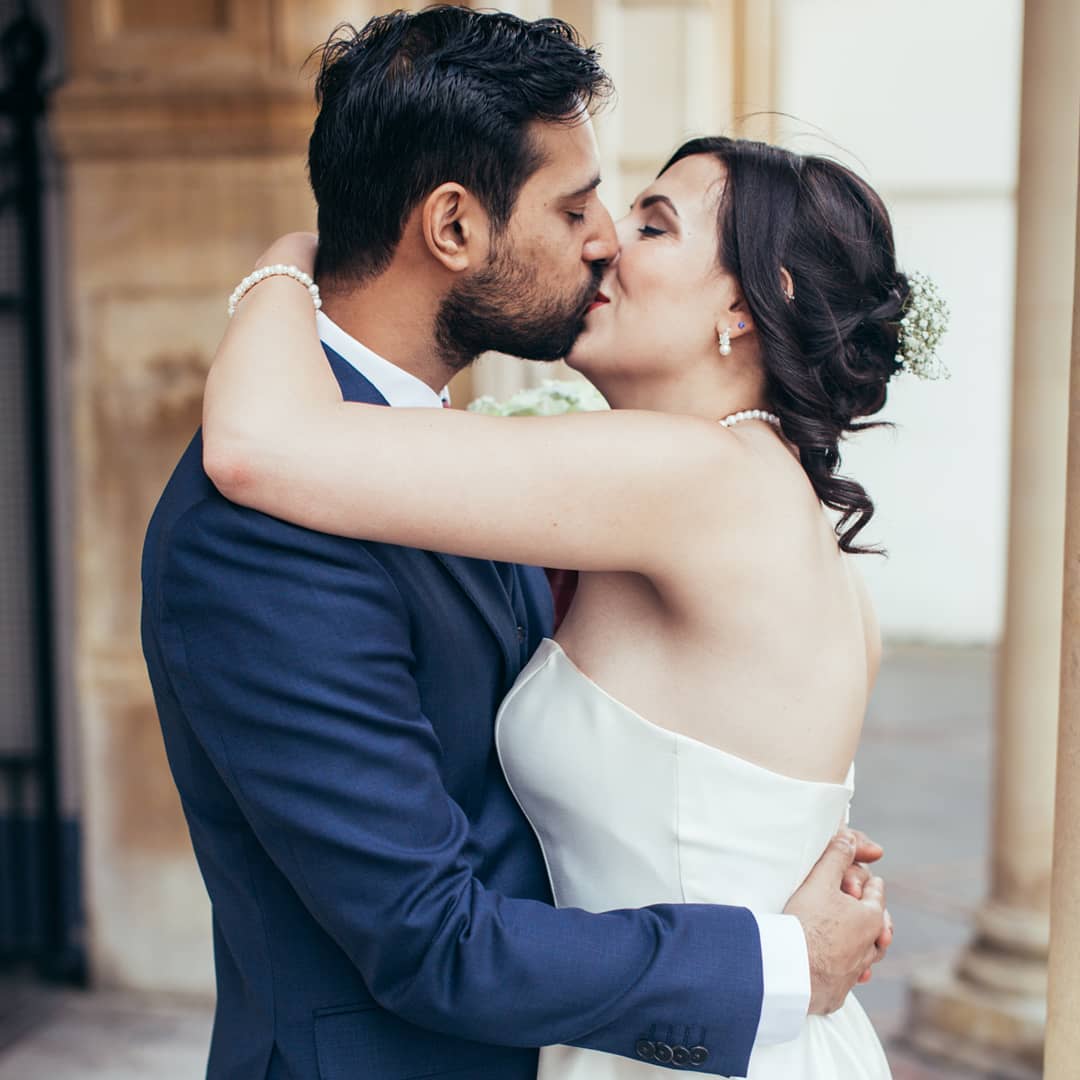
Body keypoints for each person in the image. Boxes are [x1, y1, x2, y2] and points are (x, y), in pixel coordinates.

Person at [141, 9, 891, 1079]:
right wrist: (778, 954)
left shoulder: (663, 478)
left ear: (746, 306)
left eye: (645, 221)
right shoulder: (287, 526)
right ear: (452, 227)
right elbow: (430, 931)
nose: (604, 243)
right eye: (583, 206)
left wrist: (283, 261)